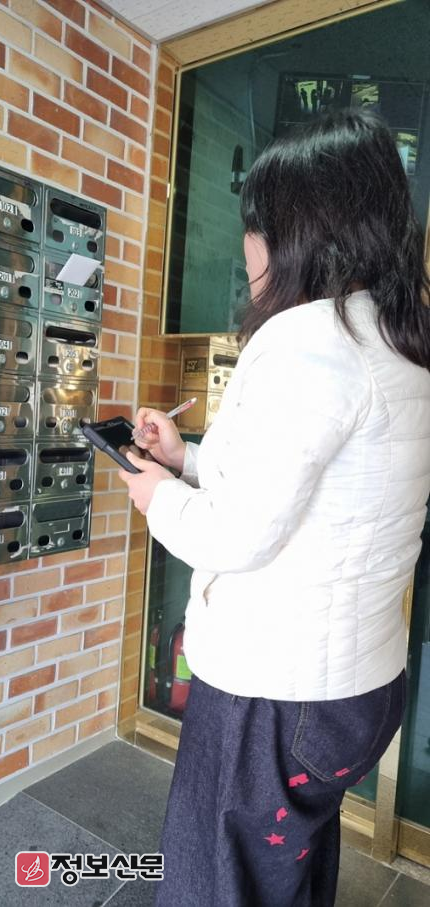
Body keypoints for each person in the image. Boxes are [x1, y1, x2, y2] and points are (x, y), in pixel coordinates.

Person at [118, 108, 430, 906]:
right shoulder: (400, 342)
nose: (249, 248)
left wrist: (154, 494)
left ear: (296, 233)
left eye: (255, 225)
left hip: (272, 694)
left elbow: (237, 533)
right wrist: (185, 458)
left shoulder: (306, 342)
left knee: (213, 885)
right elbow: (313, 490)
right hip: (354, 689)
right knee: (287, 868)